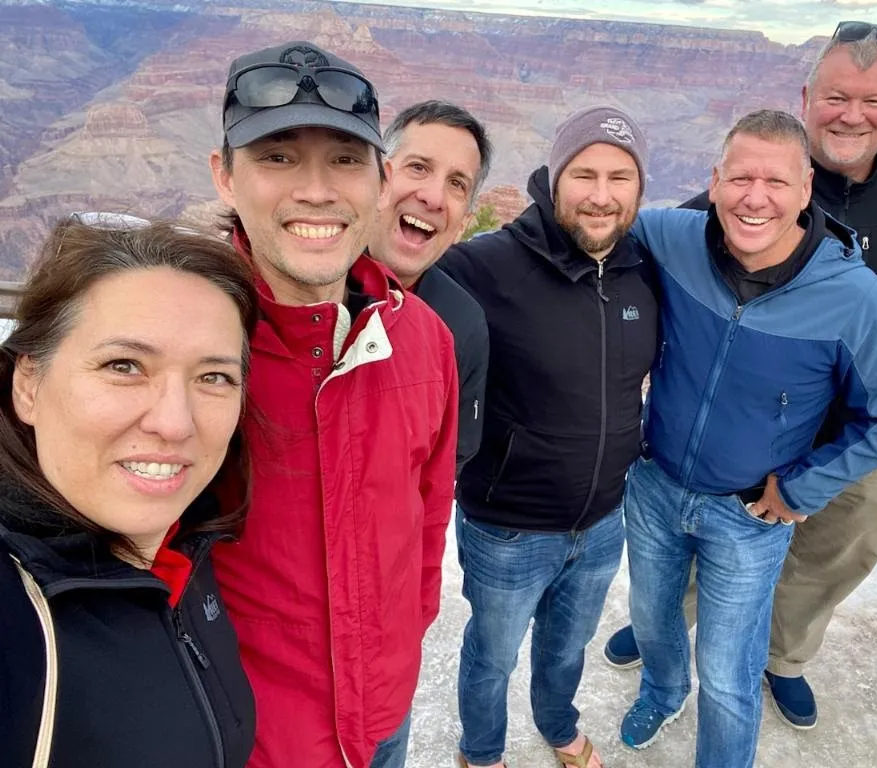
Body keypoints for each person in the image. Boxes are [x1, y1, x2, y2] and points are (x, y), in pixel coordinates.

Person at [604, 22, 877, 731]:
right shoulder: (736, 198)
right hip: (740, 422)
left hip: (859, 428)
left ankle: (782, 657)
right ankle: (668, 634)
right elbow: (663, 252)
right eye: (838, 96)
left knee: (832, 549)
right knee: (703, 544)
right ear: (808, 97)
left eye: (873, 101)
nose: (852, 114)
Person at [617, 110, 877, 766]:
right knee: (651, 620)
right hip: (654, 486)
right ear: (714, 182)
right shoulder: (673, 238)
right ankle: (663, 688)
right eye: (741, 178)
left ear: (807, 189)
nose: (755, 198)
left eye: (776, 182)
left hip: (749, 516)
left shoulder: (856, 300)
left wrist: (805, 485)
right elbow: (595, 220)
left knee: (729, 672)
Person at [207, 42, 459, 768]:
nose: (316, 190)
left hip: (381, 716)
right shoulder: (188, 347)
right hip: (248, 737)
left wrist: (403, 644)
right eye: (278, 157)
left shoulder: (424, 340)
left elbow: (428, 511)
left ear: (381, 183)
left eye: (346, 159)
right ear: (225, 176)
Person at [439, 105, 659, 768]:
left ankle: (558, 724)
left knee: (568, 647)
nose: (601, 194)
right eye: (584, 174)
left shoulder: (646, 267)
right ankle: (481, 752)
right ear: (553, 178)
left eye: (619, 177)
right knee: (493, 654)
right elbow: (395, 278)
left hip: (601, 522)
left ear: (640, 189)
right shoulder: (486, 266)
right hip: (508, 526)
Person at [0, 216, 258, 768]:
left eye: (214, 377)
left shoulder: (186, 547)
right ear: (28, 383)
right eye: (125, 365)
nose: (175, 422)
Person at [370, 100, 492, 473]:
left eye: (456, 184)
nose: (434, 197)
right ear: (377, 181)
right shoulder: (302, 286)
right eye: (418, 167)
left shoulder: (462, 325)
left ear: (463, 225)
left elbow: (450, 459)